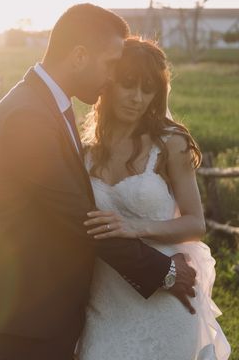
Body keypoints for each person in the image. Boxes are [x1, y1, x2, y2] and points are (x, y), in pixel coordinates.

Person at [0, 3, 197, 359]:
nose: (112, 77)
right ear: (79, 56)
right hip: (29, 312)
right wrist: (166, 272)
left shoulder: (46, 104)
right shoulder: (28, 117)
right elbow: (79, 218)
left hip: (50, 308)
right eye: (111, 64)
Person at [76, 37, 230, 359]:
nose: (137, 98)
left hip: (166, 296)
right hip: (106, 298)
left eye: (148, 89)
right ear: (108, 83)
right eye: (128, 84)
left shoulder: (170, 144)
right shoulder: (85, 151)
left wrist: (135, 227)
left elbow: (195, 223)